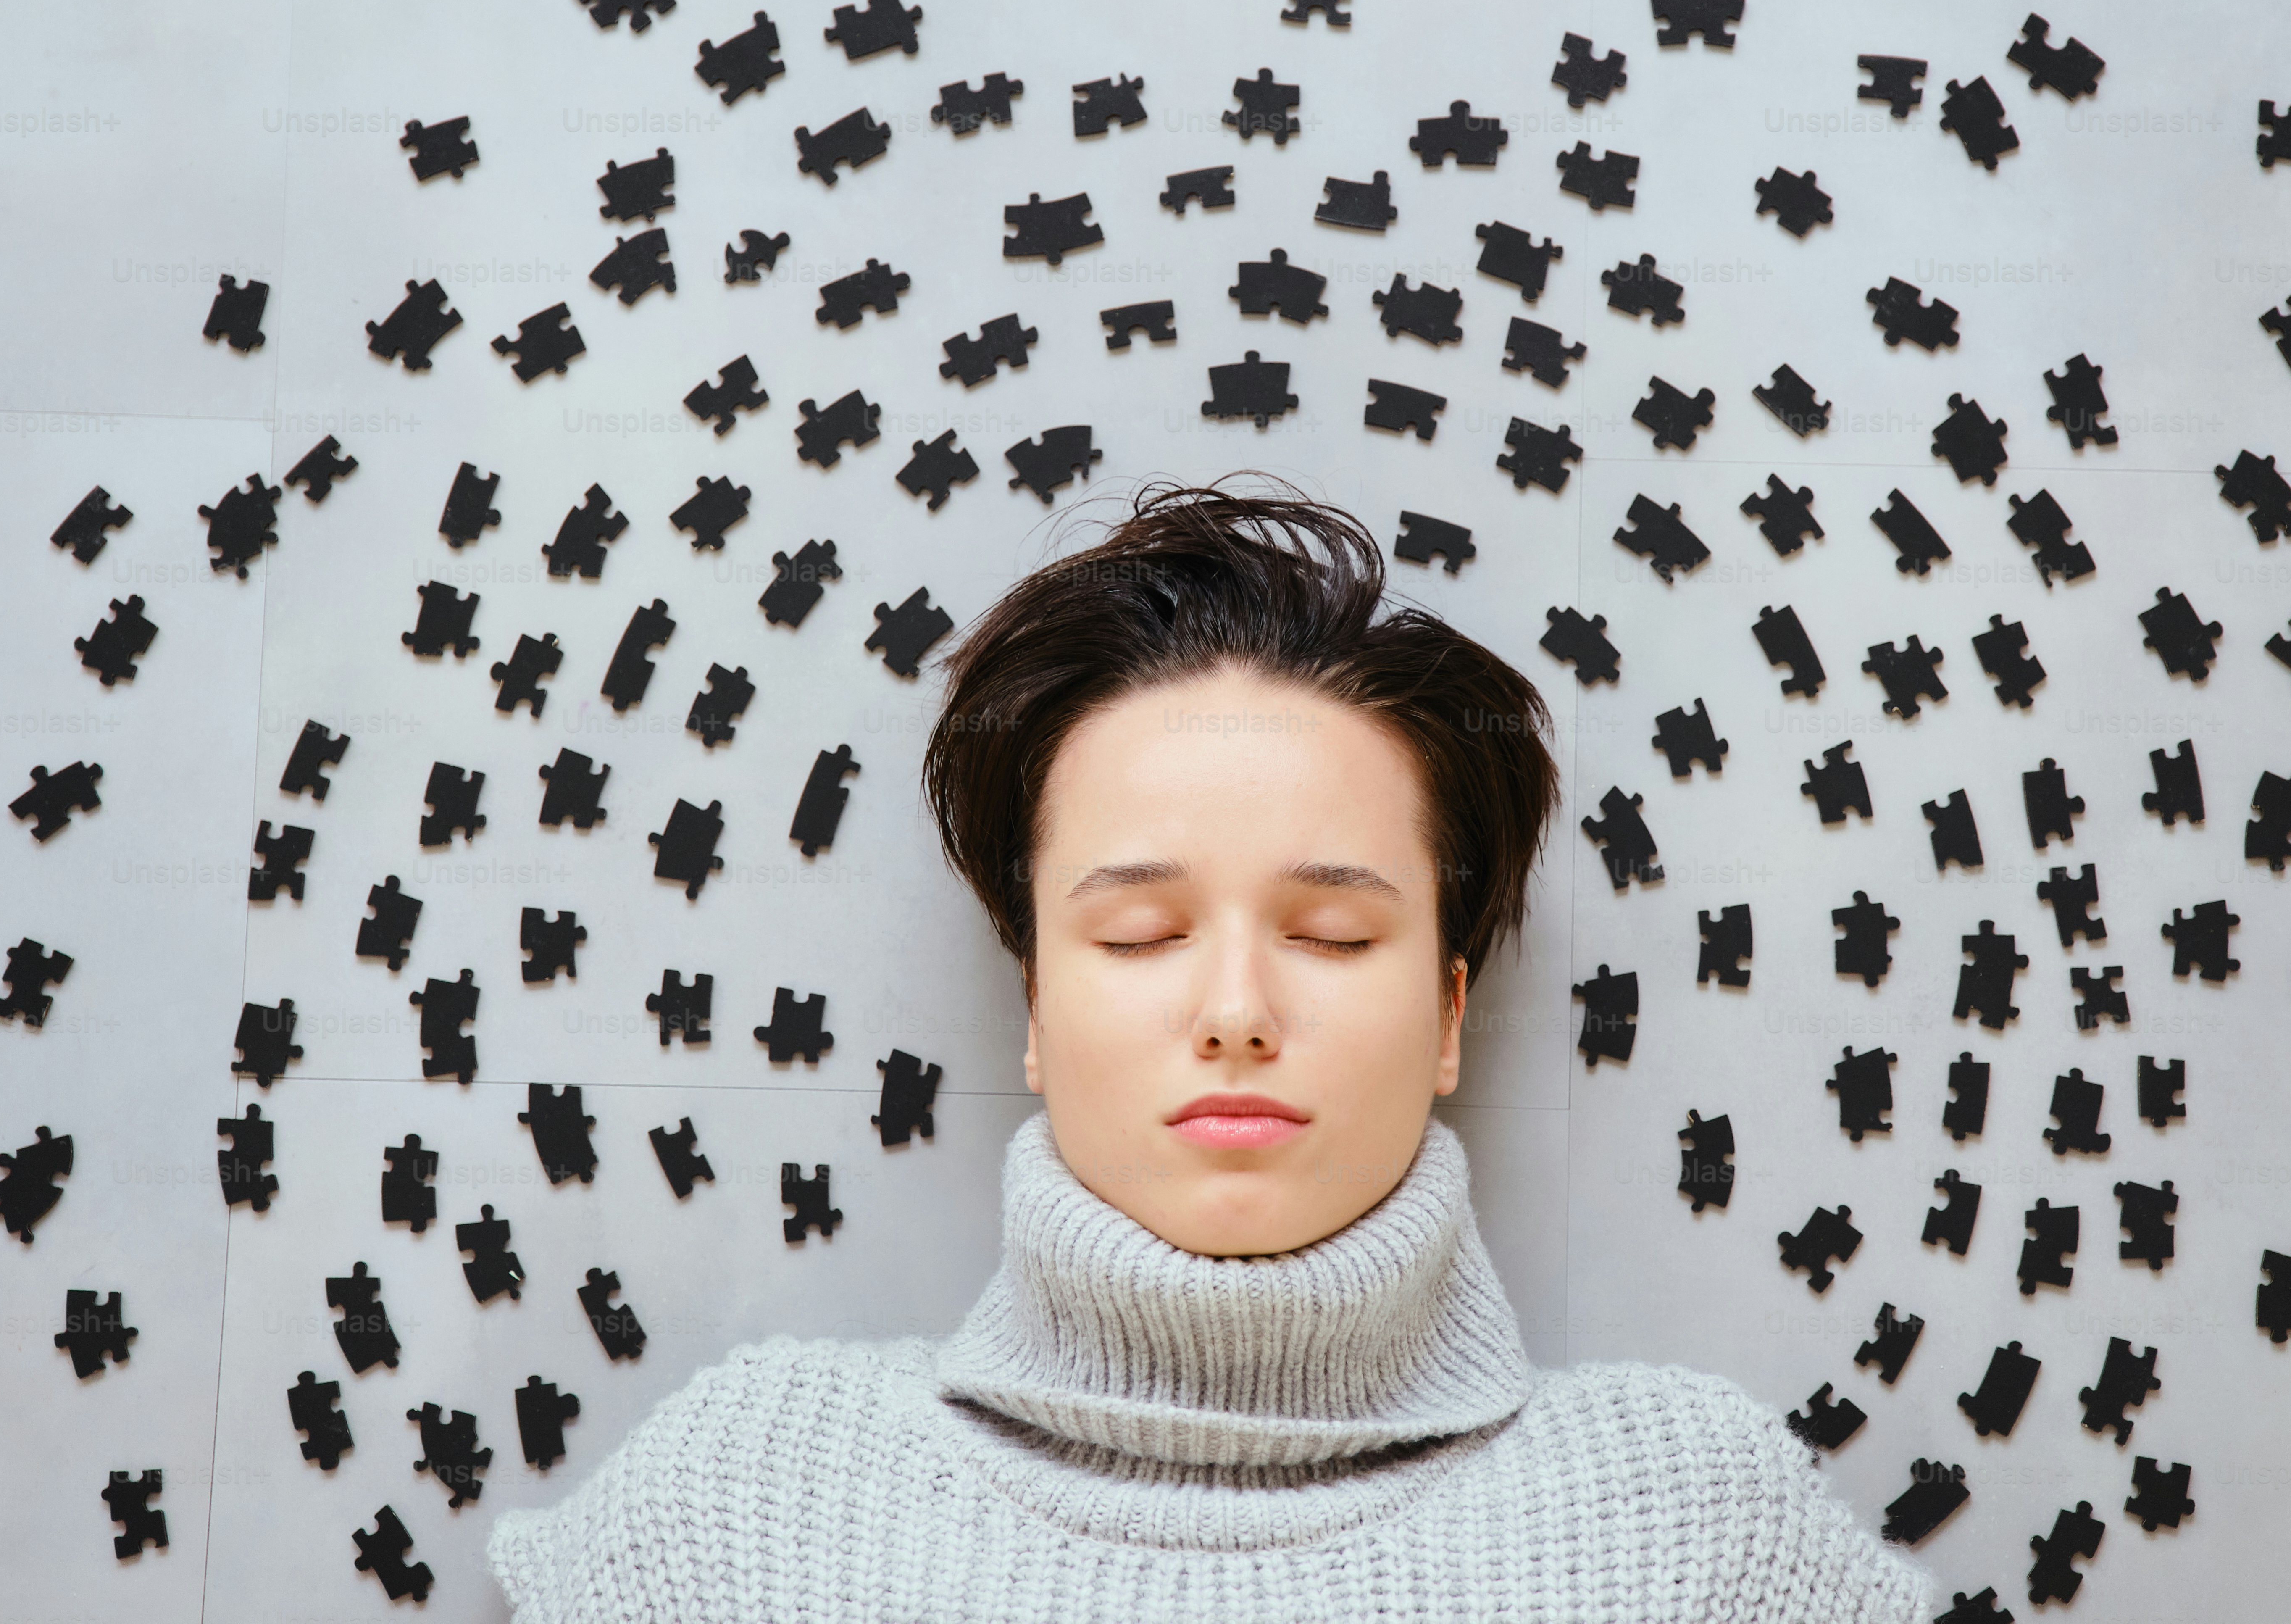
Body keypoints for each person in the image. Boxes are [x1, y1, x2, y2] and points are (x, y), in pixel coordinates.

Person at [489, 480, 1932, 1622]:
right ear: (1036, 1010)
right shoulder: (753, 1496)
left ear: (1445, 1013)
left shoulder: (1687, 1518)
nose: (1236, 1007)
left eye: (1329, 935)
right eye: (1136, 937)